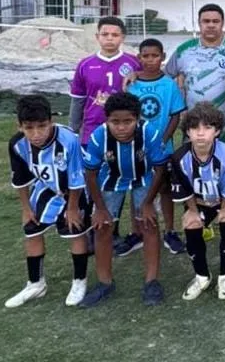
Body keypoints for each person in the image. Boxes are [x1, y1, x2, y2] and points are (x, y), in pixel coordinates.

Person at [81, 92, 166, 307]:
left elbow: (159, 169)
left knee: (149, 224)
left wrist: (147, 203)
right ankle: (104, 283)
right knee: (103, 228)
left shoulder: (150, 133)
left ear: (138, 119)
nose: (121, 127)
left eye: (127, 121)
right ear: (106, 120)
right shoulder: (98, 137)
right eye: (115, 122)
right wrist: (99, 208)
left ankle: (152, 281)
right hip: (111, 179)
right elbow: (90, 174)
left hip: (143, 178)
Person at [5, 95, 90, 308]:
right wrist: (26, 208)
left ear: (50, 121)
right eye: (29, 127)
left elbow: (77, 177)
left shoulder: (68, 139)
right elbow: (20, 179)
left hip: (75, 192)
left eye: (41, 126)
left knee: (75, 229)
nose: (36, 133)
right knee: (31, 228)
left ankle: (79, 281)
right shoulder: (17, 144)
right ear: (20, 126)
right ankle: (35, 283)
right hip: (46, 188)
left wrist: (72, 208)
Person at [69, 16, 141, 254]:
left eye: (115, 35)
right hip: (92, 133)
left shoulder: (133, 63)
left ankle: (113, 231)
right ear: (97, 36)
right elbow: (78, 100)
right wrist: (74, 129)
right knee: (92, 185)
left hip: (122, 135)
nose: (110, 39)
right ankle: (91, 232)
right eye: (105, 34)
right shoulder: (85, 64)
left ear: (123, 37)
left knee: (116, 183)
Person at [168, 102, 225, 301]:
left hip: (223, 199)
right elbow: (183, 188)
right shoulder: (179, 157)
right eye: (195, 128)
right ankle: (202, 276)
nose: (201, 134)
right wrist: (192, 211)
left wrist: (224, 208)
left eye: (207, 127)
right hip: (198, 201)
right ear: (187, 132)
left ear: (217, 131)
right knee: (191, 224)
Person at [128, 37, 187, 255]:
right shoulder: (131, 84)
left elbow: (175, 115)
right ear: (139, 58)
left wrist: (164, 140)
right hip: (135, 147)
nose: (150, 60)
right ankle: (137, 232)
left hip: (163, 148)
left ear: (162, 58)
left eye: (155, 56)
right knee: (136, 187)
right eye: (146, 56)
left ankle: (170, 232)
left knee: (165, 188)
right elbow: (125, 115)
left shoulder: (169, 84)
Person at [164, 4, 225, 146]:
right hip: (194, 129)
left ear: (223, 23)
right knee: (193, 166)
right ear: (199, 23)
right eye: (206, 21)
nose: (211, 25)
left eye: (215, 21)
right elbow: (163, 78)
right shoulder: (184, 51)